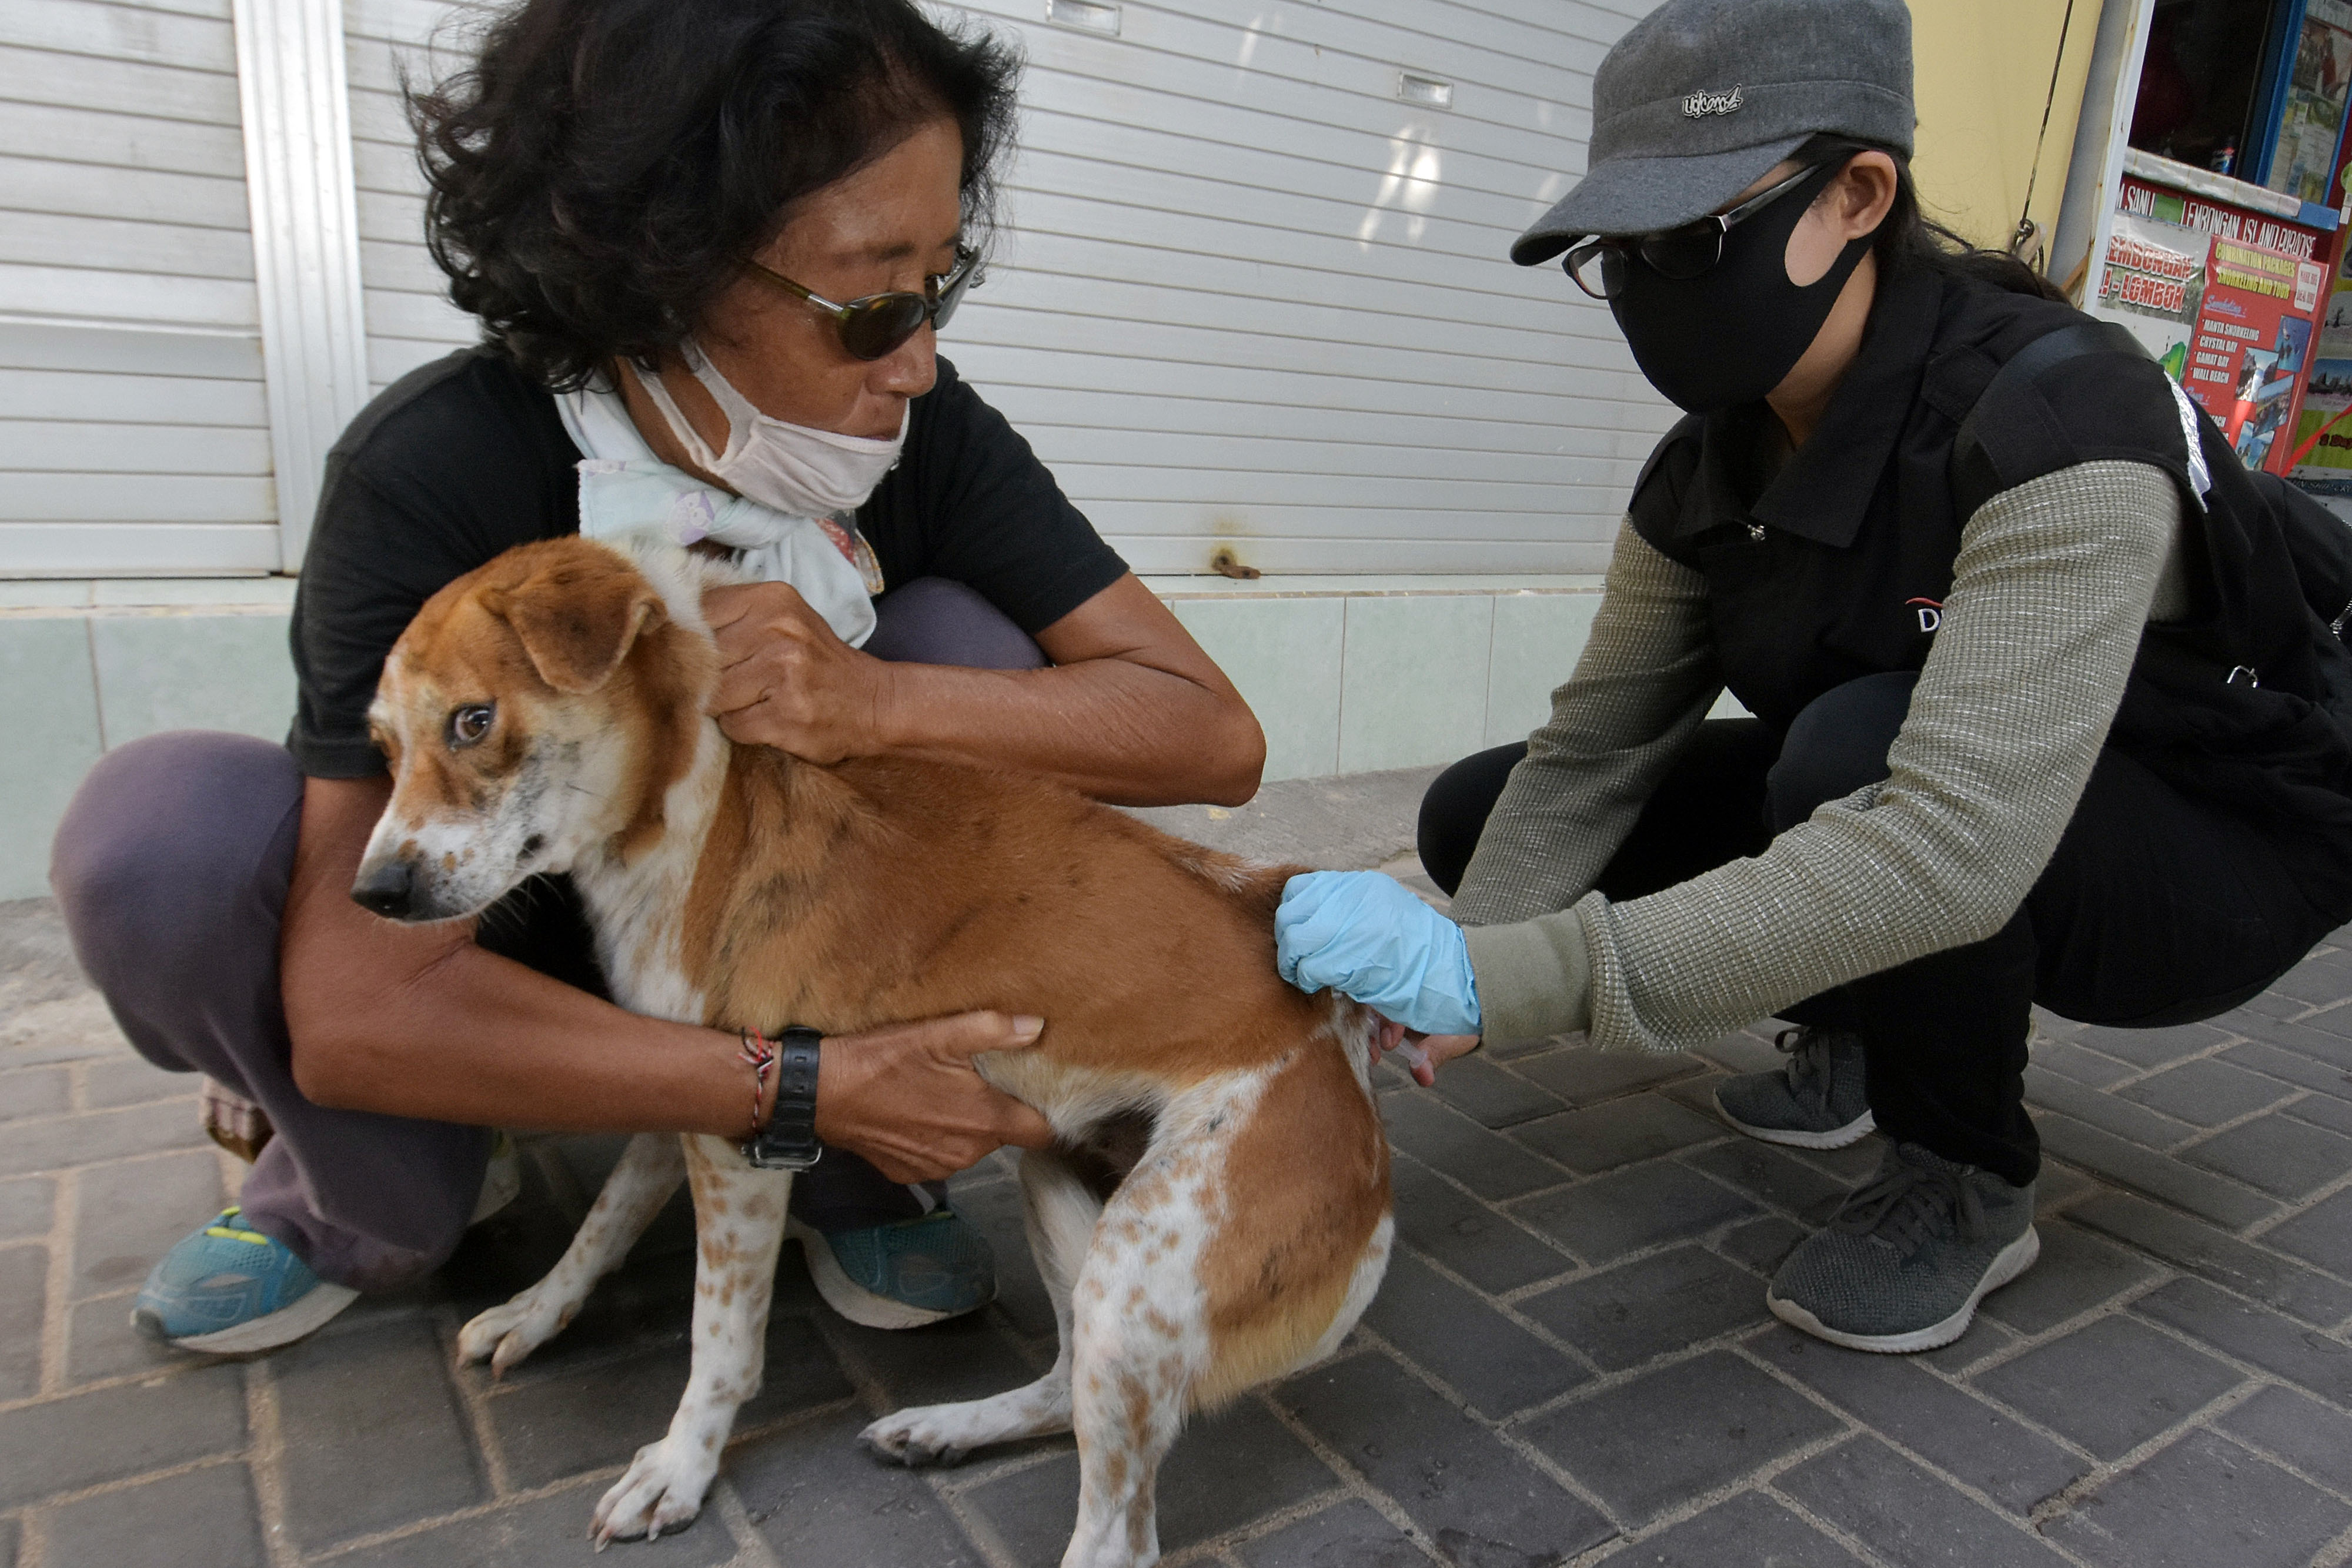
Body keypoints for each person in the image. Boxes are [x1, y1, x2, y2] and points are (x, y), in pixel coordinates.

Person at [49, 0, 1264, 1354]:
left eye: (939, 280)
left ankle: (854, 1169)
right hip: (506, 951)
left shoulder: (929, 434)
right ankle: (365, 1186)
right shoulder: (435, 467)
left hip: (787, 938)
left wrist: (876, 701)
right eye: (869, 298)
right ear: (662, 266)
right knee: (162, 837)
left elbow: (1210, 735)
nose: (915, 359)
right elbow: (363, 999)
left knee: (966, 647)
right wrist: (789, 1081)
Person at [1275, 0, 2352, 1353]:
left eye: (1688, 238)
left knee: (1855, 752)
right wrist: (1450, 969)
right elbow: (1596, 750)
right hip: (1941, 790)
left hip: (2217, 833)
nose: (1651, 286)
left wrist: (1519, 981)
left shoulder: (2058, 419)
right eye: (1619, 253)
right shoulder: (1706, 469)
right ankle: (1854, 1023)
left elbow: (1951, 841)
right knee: (1479, 814)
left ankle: (1963, 1176)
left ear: (1856, 196)